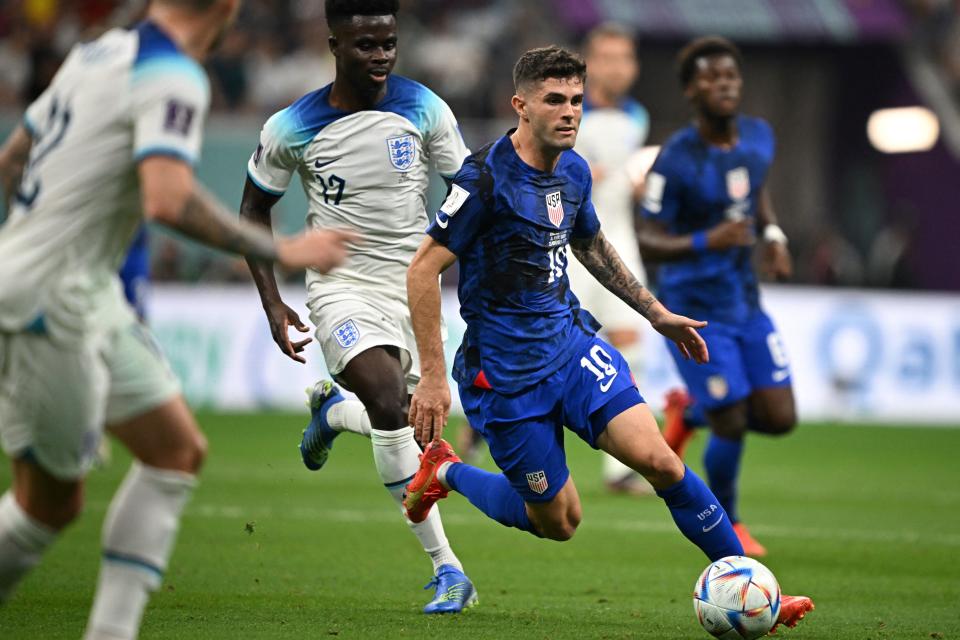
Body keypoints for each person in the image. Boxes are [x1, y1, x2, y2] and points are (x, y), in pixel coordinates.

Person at [402, 45, 812, 632]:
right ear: (520, 106)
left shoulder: (572, 170)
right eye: (554, 101)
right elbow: (422, 269)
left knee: (661, 462)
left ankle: (752, 592)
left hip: (571, 346)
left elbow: (590, 244)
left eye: (576, 100)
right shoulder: (485, 180)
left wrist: (655, 313)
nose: (570, 113)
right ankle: (444, 471)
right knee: (559, 521)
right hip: (506, 374)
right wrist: (436, 377)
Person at [0, 2, 353, 639]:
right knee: (46, 505)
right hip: (53, 300)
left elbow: (13, 159)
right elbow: (167, 197)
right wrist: (281, 248)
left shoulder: (97, 51)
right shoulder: (174, 75)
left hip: (80, 291)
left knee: (176, 452)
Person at [240, 0, 476, 614]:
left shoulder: (425, 108)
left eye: (388, 43)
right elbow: (252, 212)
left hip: (414, 286)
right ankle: (448, 570)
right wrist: (273, 304)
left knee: (399, 419)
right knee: (393, 404)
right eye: (366, 45)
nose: (380, 56)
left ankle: (332, 411)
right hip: (340, 286)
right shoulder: (292, 126)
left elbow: (471, 194)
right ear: (335, 44)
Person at [637, 36, 797, 558]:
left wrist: (772, 236)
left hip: (744, 301)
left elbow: (755, 190)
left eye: (730, 75)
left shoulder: (758, 136)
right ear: (690, 90)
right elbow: (646, 238)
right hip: (693, 309)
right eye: (710, 77)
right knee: (732, 419)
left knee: (779, 419)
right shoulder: (676, 159)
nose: (724, 83)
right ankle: (732, 523)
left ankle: (691, 413)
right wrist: (709, 240)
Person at [568, 22, 652, 495]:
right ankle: (479, 434)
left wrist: (636, 187)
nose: (617, 66)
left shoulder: (637, 116)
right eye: (608, 57)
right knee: (544, 347)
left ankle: (621, 469)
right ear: (589, 62)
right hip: (568, 244)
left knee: (629, 342)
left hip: (618, 239)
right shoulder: (568, 108)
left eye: (626, 57)